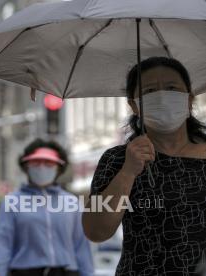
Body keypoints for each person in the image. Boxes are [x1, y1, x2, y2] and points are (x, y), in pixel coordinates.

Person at [82, 56, 206, 275]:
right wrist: (128, 171)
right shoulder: (117, 159)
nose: (163, 97)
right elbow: (95, 231)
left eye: (171, 87)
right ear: (134, 105)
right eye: (149, 91)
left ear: (189, 98)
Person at [0, 138, 94, 276]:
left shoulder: (72, 202)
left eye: (48, 163)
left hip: (66, 272)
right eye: (36, 162)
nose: (41, 167)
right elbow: (2, 247)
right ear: (26, 166)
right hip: (25, 272)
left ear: (59, 168)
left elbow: (81, 247)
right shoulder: (12, 202)